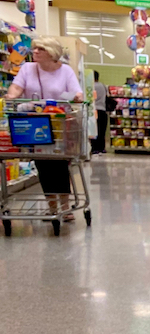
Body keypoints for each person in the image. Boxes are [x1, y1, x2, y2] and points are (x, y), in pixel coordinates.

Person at [5, 37, 84, 221]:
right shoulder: (27, 69)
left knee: (60, 164)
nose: (36, 51)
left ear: (52, 52)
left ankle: (65, 206)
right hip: (34, 124)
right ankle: (52, 206)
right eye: (34, 48)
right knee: (43, 164)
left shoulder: (65, 71)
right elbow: (16, 88)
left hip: (59, 125)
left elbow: (76, 91)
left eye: (41, 48)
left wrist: (77, 97)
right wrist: (11, 96)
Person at [90, 71, 109, 154]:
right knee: (102, 131)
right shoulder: (103, 86)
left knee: (95, 130)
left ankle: (95, 148)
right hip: (103, 110)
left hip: (94, 110)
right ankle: (102, 148)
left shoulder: (91, 86)